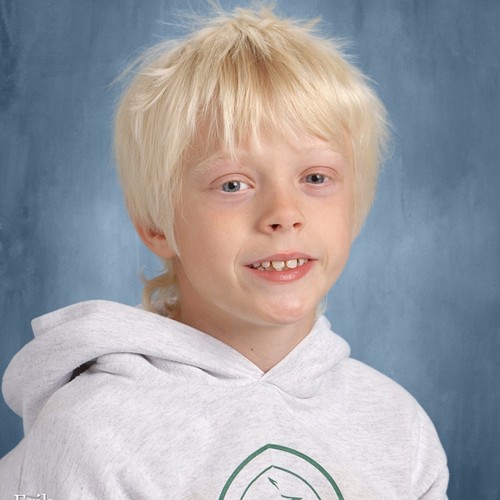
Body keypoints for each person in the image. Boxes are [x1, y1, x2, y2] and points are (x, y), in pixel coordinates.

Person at [0, 5, 448, 499]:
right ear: (155, 224)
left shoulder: (398, 428)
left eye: (316, 178)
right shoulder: (91, 434)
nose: (284, 213)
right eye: (233, 184)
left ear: (355, 208)